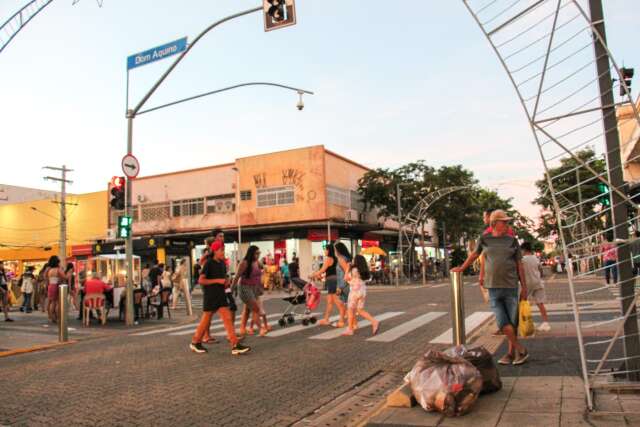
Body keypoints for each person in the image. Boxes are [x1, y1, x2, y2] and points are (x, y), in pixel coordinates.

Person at [452, 210, 529, 365]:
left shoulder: (512, 240)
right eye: (504, 222)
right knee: (502, 322)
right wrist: (462, 268)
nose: (507, 224)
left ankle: (511, 354)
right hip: (493, 287)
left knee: (512, 323)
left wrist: (525, 287)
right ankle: (521, 349)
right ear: (494, 223)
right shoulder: (484, 239)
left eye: (508, 222)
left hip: (511, 286)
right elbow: (474, 254)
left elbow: (519, 264)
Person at [190, 240, 250, 355]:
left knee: (227, 319)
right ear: (215, 251)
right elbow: (201, 280)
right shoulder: (209, 263)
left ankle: (235, 345)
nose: (223, 252)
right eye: (221, 250)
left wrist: (227, 284)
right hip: (211, 296)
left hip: (221, 295)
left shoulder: (222, 263)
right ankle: (195, 341)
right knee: (205, 320)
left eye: (223, 249)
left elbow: (223, 278)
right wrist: (218, 280)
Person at [233, 245, 267, 336]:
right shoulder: (244, 263)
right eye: (256, 253)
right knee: (256, 309)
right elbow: (236, 277)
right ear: (251, 253)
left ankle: (242, 328)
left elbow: (263, 268)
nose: (258, 255)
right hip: (245, 288)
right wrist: (231, 289)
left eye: (259, 253)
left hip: (254, 288)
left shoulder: (257, 262)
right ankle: (261, 329)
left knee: (248, 310)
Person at [342, 255, 379, 336]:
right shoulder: (363, 270)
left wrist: (348, 268)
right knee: (360, 310)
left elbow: (345, 278)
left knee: (350, 310)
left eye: (354, 260)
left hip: (354, 292)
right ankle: (374, 321)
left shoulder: (354, 270)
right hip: (362, 292)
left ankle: (350, 329)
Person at [311, 243, 346, 328]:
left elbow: (322, 270)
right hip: (333, 280)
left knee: (337, 301)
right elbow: (329, 270)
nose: (325, 251)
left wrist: (313, 275)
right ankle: (326, 319)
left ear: (329, 250)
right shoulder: (335, 259)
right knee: (329, 301)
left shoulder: (328, 259)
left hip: (332, 281)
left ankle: (342, 320)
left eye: (326, 249)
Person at [521, 242, 551, 332]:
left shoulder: (522, 259)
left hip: (527, 284)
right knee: (540, 303)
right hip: (538, 282)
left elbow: (520, 271)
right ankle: (546, 323)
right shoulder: (536, 258)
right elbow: (540, 271)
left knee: (523, 303)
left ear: (524, 250)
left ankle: (526, 323)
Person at [46, 256, 67, 323]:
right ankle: (58, 318)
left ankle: (53, 317)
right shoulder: (58, 269)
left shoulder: (50, 270)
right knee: (58, 303)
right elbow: (64, 277)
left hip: (50, 286)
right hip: (56, 286)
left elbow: (46, 278)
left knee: (52, 302)